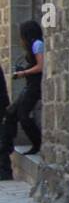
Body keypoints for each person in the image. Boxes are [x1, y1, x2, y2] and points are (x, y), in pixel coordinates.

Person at [0, 19, 45, 180]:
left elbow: (41, 66)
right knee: (13, 113)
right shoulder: (33, 46)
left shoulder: (37, 45)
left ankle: (37, 143)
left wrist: (23, 73)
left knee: (23, 115)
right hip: (30, 85)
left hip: (34, 86)